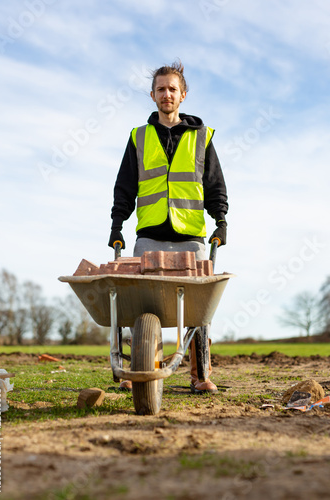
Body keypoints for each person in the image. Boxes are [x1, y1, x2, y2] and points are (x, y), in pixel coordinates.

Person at [108, 61, 228, 393]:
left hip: (191, 236)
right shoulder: (140, 137)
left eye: (172, 88)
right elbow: (125, 187)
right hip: (149, 236)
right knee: (140, 308)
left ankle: (200, 376)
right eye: (161, 89)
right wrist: (117, 226)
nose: (166, 94)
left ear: (183, 95)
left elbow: (215, 185)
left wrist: (221, 222)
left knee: (198, 312)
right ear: (152, 95)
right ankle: (140, 372)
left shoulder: (202, 137)